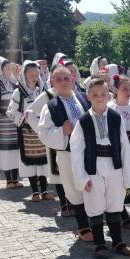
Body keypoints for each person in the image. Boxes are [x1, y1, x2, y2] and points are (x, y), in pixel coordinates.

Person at [70, 78, 130, 259]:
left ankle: (118, 242)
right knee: (95, 205)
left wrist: (128, 175)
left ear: (109, 96)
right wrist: (82, 178)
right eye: (95, 95)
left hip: (114, 166)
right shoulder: (83, 121)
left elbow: (124, 145)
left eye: (103, 94)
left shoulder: (116, 118)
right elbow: (76, 151)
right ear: (89, 97)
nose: (100, 98)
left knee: (115, 204)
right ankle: (100, 243)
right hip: (94, 168)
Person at [37, 64, 93, 242]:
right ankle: (83, 226)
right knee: (74, 188)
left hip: (89, 151)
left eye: (66, 78)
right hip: (68, 154)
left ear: (73, 79)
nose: (63, 82)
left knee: (91, 185)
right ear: (52, 81)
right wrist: (62, 131)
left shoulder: (84, 99)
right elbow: (43, 132)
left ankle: (96, 222)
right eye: (58, 79)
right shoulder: (51, 106)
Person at [7, 60, 53, 201]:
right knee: (30, 161)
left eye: (36, 74)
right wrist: (24, 119)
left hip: (41, 129)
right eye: (31, 74)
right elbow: (10, 112)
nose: (34, 76)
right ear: (24, 75)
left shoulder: (43, 90)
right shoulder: (18, 92)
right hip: (27, 132)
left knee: (44, 160)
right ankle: (34, 192)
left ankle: (44, 190)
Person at [108, 75, 130, 228]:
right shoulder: (110, 108)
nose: (128, 92)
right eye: (124, 89)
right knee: (119, 183)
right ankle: (123, 216)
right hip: (118, 148)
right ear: (116, 90)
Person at [0, 56, 23, 188]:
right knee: (5, 150)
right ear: (0, 69)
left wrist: (18, 76)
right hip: (2, 121)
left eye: (10, 68)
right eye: (7, 68)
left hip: (14, 121)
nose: (9, 70)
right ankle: (8, 179)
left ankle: (16, 177)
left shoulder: (13, 82)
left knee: (16, 148)